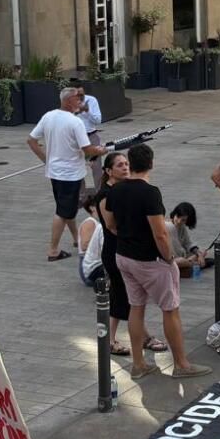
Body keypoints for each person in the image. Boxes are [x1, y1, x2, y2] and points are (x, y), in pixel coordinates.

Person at [102, 144, 210, 378]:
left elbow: (110, 223)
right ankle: (181, 364)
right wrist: (169, 257)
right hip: (150, 260)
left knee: (136, 308)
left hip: (124, 256)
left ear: (131, 163)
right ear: (151, 164)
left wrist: (128, 235)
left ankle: (138, 364)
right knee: (170, 309)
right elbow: (160, 232)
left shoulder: (116, 191)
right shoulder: (150, 193)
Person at [27, 86, 105, 261]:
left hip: (54, 173)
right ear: (69, 101)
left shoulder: (49, 116)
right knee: (63, 212)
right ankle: (53, 250)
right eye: (78, 99)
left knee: (66, 208)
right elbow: (87, 149)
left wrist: (46, 160)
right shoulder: (75, 122)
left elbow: (31, 140)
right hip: (70, 174)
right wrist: (99, 151)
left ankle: (76, 238)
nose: (81, 102)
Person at [89, 151, 147, 354]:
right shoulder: (105, 194)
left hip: (125, 247)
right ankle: (110, 340)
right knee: (120, 294)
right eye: (120, 165)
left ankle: (143, 334)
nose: (125, 167)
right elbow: (112, 226)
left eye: (126, 164)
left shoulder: (123, 188)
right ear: (108, 171)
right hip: (115, 249)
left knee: (134, 294)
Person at [70, 77, 105, 187]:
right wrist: (76, 112)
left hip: (91, 137)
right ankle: (81, 196)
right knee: (77, 169)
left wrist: (87, 111)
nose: (81, 97)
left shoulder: (91, 100)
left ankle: (100, 193)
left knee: (97, 168)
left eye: (82, 94)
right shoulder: (68, 103)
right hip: (76, 140)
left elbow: (98, 120)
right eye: (78, 95)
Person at [168, 202, 215, 275]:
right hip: (172, 259)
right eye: (178, 217)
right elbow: (178, 252)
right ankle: (195, 264)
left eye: (184, 220)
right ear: (174, 214)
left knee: (202, 251)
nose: (179, 221)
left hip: (183, 257)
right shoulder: (170, 227)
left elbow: (188, 243)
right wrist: (194, 257)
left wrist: (198, 254)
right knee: (181, 261)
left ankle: (195, 263)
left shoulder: (181, 226)